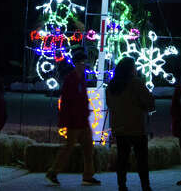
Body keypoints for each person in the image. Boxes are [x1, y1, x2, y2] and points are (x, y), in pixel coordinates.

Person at [46, 50, 100, 186]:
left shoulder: (81, 78)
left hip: (82, 119)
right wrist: (64, 119)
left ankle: (88, 175)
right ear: (76, 63)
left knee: (88, 148)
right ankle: (53, 171)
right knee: (69, 147)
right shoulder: (71, 79)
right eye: (82, 62)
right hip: (74, 120)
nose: (84, 65)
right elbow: (66, 101)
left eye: (85, 62)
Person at [106, 57, 155, 191]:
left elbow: (110, 104)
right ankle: (145, 186)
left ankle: (121, 185)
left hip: (119, 128)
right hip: (136, 127)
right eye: (134, 67)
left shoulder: (112, 85)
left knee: (122, 158)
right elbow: (149, 101)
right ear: (130, 69)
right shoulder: (135, 83)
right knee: (141, 159)